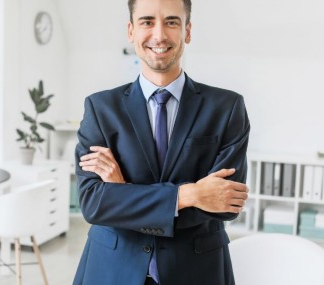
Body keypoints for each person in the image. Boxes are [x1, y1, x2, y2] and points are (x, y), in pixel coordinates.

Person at [73, 0, 250, 284]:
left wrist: (122, 193)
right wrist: (189, 195)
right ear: (131, 31)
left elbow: (225, 203)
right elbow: (93, 203)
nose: (159, 35)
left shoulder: (227, 108)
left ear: (187, 31)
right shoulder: (100, 108)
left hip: (196, 270)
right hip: (112, 268)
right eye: (146, 22)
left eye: (171, 22)